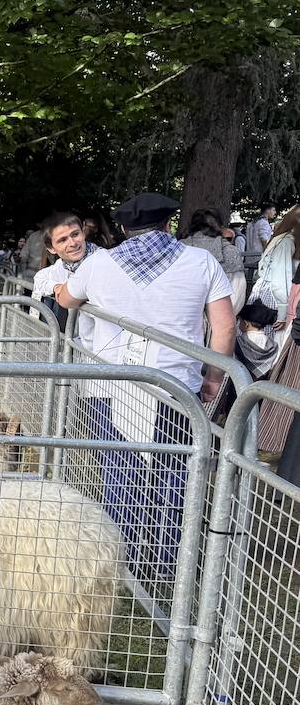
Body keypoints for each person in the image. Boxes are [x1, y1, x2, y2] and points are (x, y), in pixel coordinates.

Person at [55, 192, 234, 585]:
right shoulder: (201, 261)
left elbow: (67, 299)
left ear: (122, 228)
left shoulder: (100, 263)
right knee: (173, 472)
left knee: (121, 471)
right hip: (176, 385)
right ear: (168, 224)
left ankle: (124, 561)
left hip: (114, 386)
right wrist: (213, 378)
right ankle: (168, 562)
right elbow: (224, 327)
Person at [256, 206, 300, 455]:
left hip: (281, 307)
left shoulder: (282, 239)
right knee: (271, 364)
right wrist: (284, 313)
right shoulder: (287, 241)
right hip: (277, 307)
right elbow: (281, 278)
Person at [33, 211, 99, 339]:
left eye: (75, 234)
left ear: (83, 233)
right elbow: (39, 278)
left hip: (103, 346)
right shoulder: (61, 265)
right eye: (62, 240)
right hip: (79, 343)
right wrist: (56, 287)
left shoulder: (101, 261)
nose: (72, 243)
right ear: (51, 249)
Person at [182, 208, 246, 314]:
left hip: (183, 316)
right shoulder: (230, 251)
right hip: (219, 318)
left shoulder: (179, 247)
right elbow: (237, 295)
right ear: (219, 225)